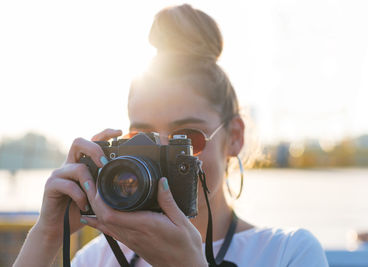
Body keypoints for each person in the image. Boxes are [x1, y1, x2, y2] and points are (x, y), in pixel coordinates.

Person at [14, 4, 329, 267]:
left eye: (187, 138)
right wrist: (48, 233)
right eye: (143, 136)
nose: (161, 155)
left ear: (234, 136)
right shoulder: (99, 258)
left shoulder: (287, 253)